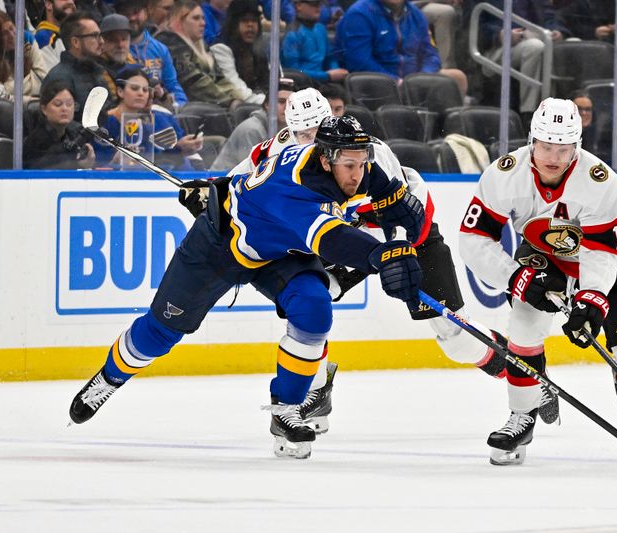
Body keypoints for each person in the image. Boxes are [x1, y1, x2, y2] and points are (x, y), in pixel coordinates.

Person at [68, 115, 425, 462]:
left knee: (314, 309)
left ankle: (286, 410)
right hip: (222, 246)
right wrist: (380, 256)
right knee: (161, 331)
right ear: (326, 159)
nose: (357, 173)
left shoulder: (347, 165)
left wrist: (397, 213)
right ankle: (109, 378)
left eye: (362, 163)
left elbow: (384, 191)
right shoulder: (293, 188)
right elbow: (332, 241)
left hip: (280, 250)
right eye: (350, 164)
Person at [199, 88, 520, 435]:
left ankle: (519, 373)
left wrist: (397, 253)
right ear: (289, 130)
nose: (309, 141)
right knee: (310, 300)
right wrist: (208, 192)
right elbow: (238, 183)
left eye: (316, 130)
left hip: (408, 235)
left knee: (453, 334)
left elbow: (401, 216)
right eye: (301, 134)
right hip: (347, 241)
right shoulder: (276, 151)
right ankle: (318, 389)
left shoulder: (369, 153)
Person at [459, 97, 617, 465]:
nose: (553, 157)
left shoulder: (600, 182)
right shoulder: (503, 174)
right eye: (546, 146)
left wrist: (590, 300)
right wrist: (515, 277)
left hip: (615, 262)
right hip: (545, 255)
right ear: (532, 141)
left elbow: (602, 252)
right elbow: (473, 239)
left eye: (563, 149)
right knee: (523, 327)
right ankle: (522, 416)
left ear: (577, 148)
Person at [334, 0, 468, 99]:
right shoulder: (359, 14)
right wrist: (397, 81)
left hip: (413, 79)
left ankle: (451, 131)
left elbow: (431, 54)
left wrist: (422, 77)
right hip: (380, 82)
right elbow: (359, 63)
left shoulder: (416, 15)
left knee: (456, 77)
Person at [94, 65, 203, 169]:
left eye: (145, 90)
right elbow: (95, 166)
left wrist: (180, 147)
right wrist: (115, 163)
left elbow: (161, 160)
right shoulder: (105, 122)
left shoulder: (149, 123)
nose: (141, 93)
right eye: (134, 88)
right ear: (120, 91)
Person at [156, 0, 242, 108]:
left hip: (211, 107)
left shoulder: (202, 46)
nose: (203, 23)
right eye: (196, 18)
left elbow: (221, 79)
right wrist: (229, 102)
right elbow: (194, 82)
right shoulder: (170, 42)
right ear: (179, 21)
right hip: (187, 109)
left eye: (203, 18)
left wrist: (239, 99)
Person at [41, 11, 114, 122]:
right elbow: (60, 128)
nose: (102, 41)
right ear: (75, 42)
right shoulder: (58, 78)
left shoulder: (97, 73)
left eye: (101, 36)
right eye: (95, 36)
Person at [114, 0, 188, 109]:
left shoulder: (161, 49)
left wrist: (180, 106)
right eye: (126, 14)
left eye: (136, 12)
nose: (132, 18)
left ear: (146, 12)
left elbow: (173, 86)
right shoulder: (115, 49)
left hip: (160, 110)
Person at [209, 78, 296, 170]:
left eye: (291, 103)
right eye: (281, 102)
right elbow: (251, 172)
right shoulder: (251, 129)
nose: (287, 106)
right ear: (267, 105)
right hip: (222, 181)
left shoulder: (291, 129)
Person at [23, 80, 96, 169]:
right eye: (58, 104)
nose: (64, 108)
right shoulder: (36, 141)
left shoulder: (75, 134)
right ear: (44, 109)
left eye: (69, 104)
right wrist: (78, 165)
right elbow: (44, 171)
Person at [210, 0, 268, 105]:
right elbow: (237, 90)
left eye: (254, 21)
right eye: (245, 21)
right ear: (234, 24)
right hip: (236, 108)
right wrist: (269, 103)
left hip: (263, 104)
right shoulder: (221, 49)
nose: (250, 25)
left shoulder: (259, 49)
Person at [281, 0, 347, 85]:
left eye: (320, 4)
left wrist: (336, 70)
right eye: (314, 4)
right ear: (299, 6)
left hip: (324, 83)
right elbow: (293, 72)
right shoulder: (292, 35)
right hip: (301, 86)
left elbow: (330, 57)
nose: (318, 8)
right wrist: (327, 76)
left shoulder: (320, 29)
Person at [0, 9, 48, 102]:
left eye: (12, 28)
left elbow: (43, 80)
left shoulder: (26, 39)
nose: (12, 35)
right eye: (5, 33)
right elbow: (2, 95)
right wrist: (30, 82)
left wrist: (9, 87)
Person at [35, 0, 76, 70]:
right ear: (48, 4)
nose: (71, 2)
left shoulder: (74, 35)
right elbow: (57, 78)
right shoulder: (44, 37)